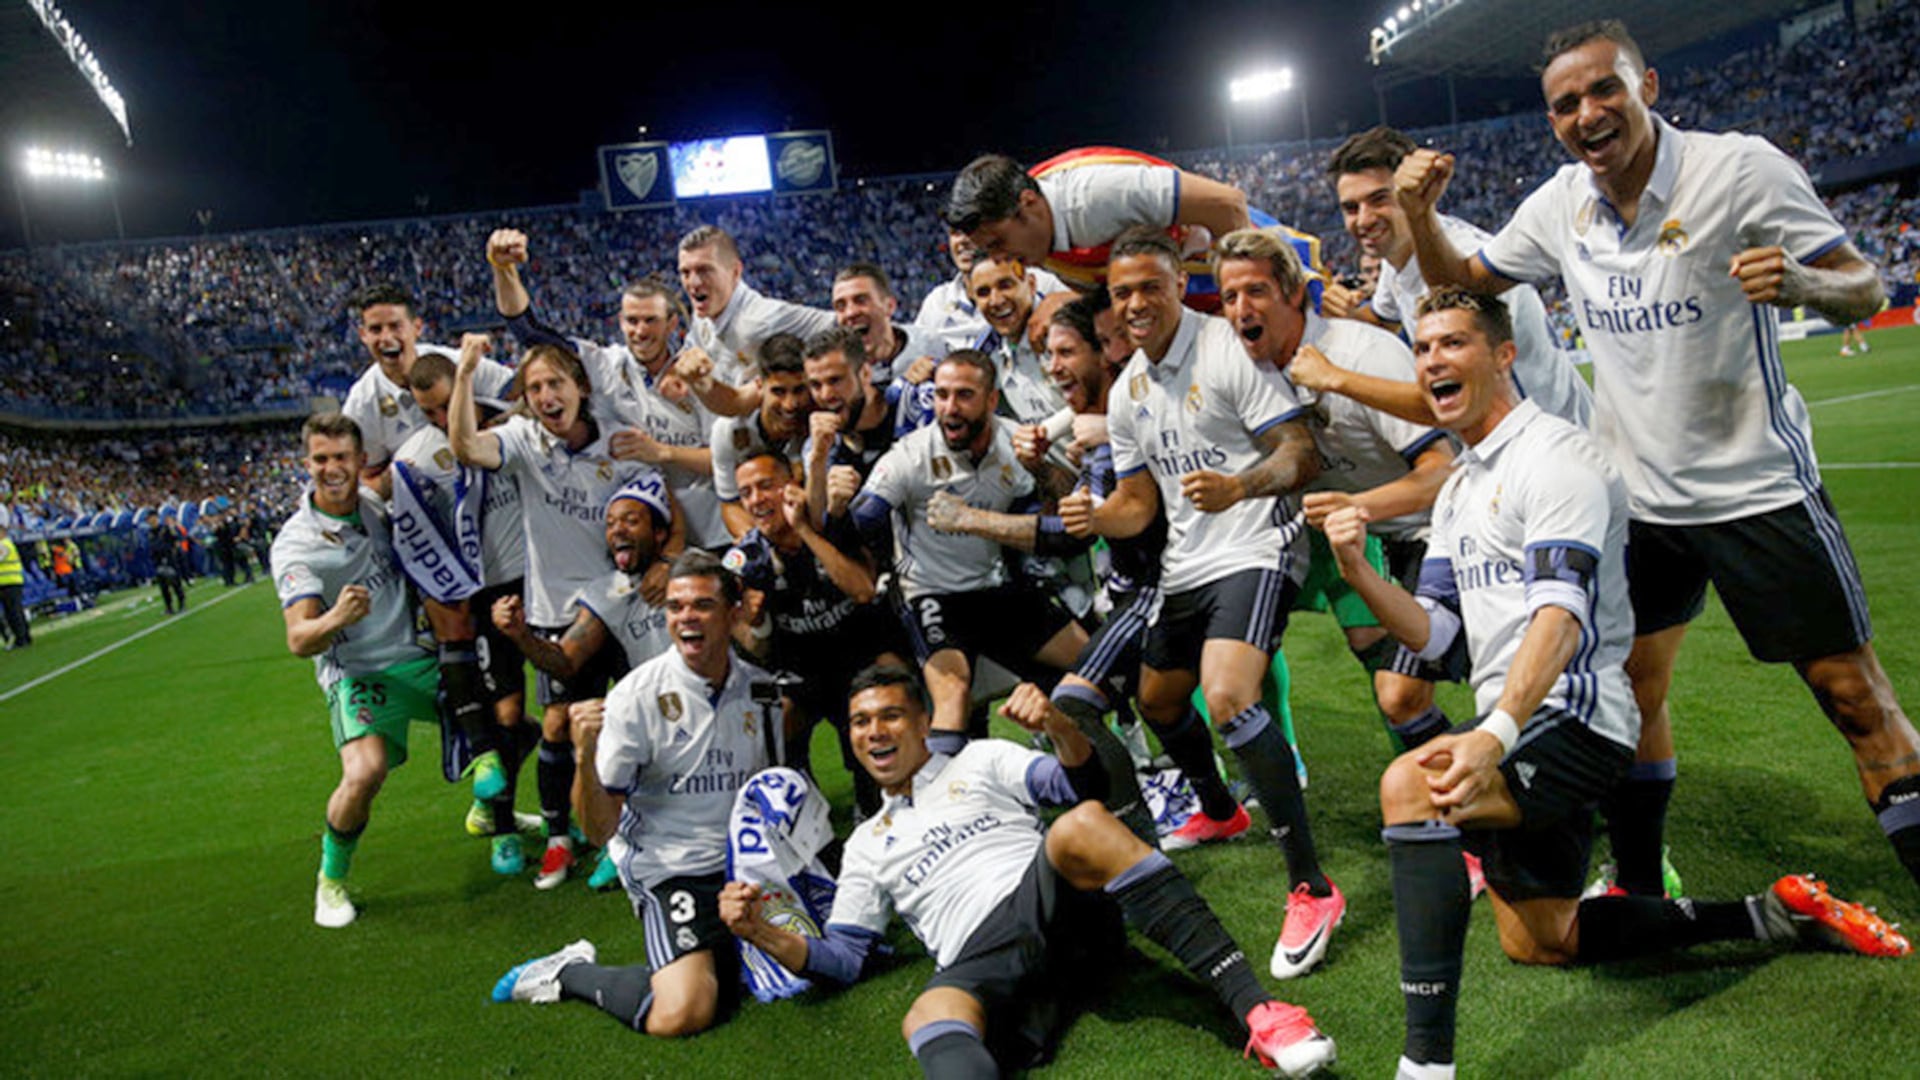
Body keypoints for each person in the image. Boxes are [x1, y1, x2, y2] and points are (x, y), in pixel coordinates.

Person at [1327, 287, 1908, 1080]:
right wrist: (1360, 571)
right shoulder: (1458, 490)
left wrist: (1492, 735)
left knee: (1411, 785)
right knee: (1542, 941)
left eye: (1453, 343)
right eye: (1423, 348)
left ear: (1504, 356)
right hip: (1518, 723)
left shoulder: (1559, 458)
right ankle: (1771, 914)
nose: (1432, 361)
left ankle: (1425, 1066)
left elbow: (1560, 621)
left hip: (1582, 720)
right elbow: (1437, 635)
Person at [1397, 18, 1920, 897]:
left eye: (1606, 89)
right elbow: (1468, 283)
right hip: (1638, 504)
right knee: (1631, 690)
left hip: (1755, 487)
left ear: (1648, 89)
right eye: (1565, 104)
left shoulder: (1738, 167)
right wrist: (1416, 213)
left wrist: (1802, 283)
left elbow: (1862, 283)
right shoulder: (1561, 202)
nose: (1588, 112)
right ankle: (1641, 879)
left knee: (1853, 697)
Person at [716, 665, 1337, 1078]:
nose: (874, 732)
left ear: (924, 723)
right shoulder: (866, 846)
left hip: (1054, 906)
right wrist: (759, 933)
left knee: (1080, 825)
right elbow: (846, 959)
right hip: (983, 959)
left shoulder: (979, 760)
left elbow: (1080, 783)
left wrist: (1058, 726)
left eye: (891, 716)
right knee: (926, 1017)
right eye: (860, 721)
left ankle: (1262, 1014)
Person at [1062, 227, 1340, 980]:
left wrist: (1240, 486)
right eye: (1122, 293)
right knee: (1158, 703)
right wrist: (1094, 515)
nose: (1136, 303)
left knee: (1227, 696)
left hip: (1258, 544)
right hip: (1187, 565)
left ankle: (1313, 886)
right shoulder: (1127, 393)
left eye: (1150, 286)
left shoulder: (1225, 351)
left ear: (1179, 285)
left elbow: (1300, 453)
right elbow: (1137, 506)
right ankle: (1221, 810)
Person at [489, 552, 781, 1040]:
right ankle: (567, 972)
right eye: (675, 606)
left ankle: (722, 950)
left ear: (732, 615)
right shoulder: (634, 698)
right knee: (683, 1012)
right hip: (672, 870)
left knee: (817, 960)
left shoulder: (761, 691)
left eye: (703, 605)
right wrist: (584, 755)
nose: (686, 617)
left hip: (745, 867)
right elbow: (600, 830)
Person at [1214, 227, 1461, 753]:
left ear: (1294, 293)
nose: (1240, 309)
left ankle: (1497, 786)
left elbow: (1442, 472)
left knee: (1406, 691)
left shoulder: (1360, 353)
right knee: (1230, 638)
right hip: (1354, 531)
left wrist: (1357, 507)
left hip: (1437, 532)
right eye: (1229, 297)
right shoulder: (1246, 373)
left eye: (1256, 291)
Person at [450, 333, 683, 890]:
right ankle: (560, 837)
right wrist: (464, 375)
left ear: (580, 387)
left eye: (555, 383)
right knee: (559, 725)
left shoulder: (619, 439)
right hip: (559, 608)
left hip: (624, 602)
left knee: (631, 721)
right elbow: (465, 448)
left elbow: (667, 505)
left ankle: (626, 833)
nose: (546, 396)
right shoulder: (524, 441)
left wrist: (667, 561)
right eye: (534, 389)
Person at [848, 351, 1088, 750]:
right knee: (953, 694)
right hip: (932, 594)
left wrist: (1043, 471)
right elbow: (863, 518)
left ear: (991, 401)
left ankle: (1096, 759)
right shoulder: (911, 454)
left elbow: (1060, 529)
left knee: (1095, 663)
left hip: (996, 589)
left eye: (963, 395)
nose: (949, 408)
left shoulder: (1015, 443)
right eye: (941, 395)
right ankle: (951, 804)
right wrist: (841, 505)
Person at [1308, 125, 1592, 430]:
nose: (1363, 219)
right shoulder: (1398, 256)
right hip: (1507, 441)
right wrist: (1345, 310)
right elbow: (1382, 320)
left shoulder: (1463, 258)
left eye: (1379, 199)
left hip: (1550, 440)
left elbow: (1455, 402)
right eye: (1351, 208)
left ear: (1411, 191)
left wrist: (1334, 378)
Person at [272, 413, 440, 928]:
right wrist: (336, 617)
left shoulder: (373, 505)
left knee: (507, 727)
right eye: (321, 459)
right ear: (307, 465)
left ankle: (493, 816)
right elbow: (299, 640)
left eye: (341, 457)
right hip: (359, 672)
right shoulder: (297, 544)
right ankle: (331, 881)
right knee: (365, 772)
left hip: (416, 656)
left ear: (359, 460)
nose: (332, 468)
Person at [489, 228, 730, 549]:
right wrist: (503, 270)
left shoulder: (697, 372)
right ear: (619, 321)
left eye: (650, 320)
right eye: (632, 321)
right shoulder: (604, 366)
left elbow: (726, 460)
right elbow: (529, 331)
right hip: (644, 543)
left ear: (672, 324)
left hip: (711, 534)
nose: (640, 331)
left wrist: (662, 453)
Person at [393, 351, 534, 871]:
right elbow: (414, 537)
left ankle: (571, 818)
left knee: (558, 710)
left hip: (538, 578)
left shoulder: (513, 427)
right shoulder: (416, 459)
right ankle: (501, 827)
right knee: (509, 713)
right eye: (427, 411)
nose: (437, 419)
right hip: (480, 590)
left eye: (445, 406)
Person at [723, 449, 901, 815]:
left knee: (890, 683)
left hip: (861, 658)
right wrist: (750, 625)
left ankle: (876, 795)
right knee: (772, 719)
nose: (756, 500)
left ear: (791, 484)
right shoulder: (745, 559)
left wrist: (803, 529)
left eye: (765, 486)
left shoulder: (830, 523)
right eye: (746, 493)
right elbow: (752, 646)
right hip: (802, 673)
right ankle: (803, 804)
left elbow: (863, 590)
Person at [339, 283, 516, 495]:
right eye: (376, 329)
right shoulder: (362, 404)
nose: (386, 338)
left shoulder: (460, 363)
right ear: (363, 335)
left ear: (417, 327)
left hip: (492, 492)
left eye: (395, 326)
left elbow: (520, 395)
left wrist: (487, 422)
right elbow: (366, 480)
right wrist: (407, 471)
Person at [675, 225, 838, 418]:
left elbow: (840, 323)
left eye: (705, 270)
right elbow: (687, 354)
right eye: (685, 272)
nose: (693, 283)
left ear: (736, 272)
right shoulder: (702, 315)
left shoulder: (760, 320)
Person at [710, 333, 815, 540]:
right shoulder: (729, 431)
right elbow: (731, 504)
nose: (790, 404)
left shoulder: (819, 423)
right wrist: (762, 546)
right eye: (778, 391)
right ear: (759, 385)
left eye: (799, 390)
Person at [830, 261, 947, 389]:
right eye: (840, 306)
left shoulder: (930, 345)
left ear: (889, 306)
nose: (850, 313)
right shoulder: (837, 372)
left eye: (861, 300)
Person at [148, 518, 187, 615]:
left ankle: (182, 604)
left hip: (169, 558)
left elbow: (176, 539)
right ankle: (169, 607)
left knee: (175, 582)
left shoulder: (165, 529)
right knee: (163, 586)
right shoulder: (150, 532)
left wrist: (173, 552)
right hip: (158, 560)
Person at [0, 522, 29, 648]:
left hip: (9, 582)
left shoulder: (5, 545)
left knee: (13, 612)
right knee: (14, 611)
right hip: (9, 582)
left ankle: (21, 638)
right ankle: (24, 636)